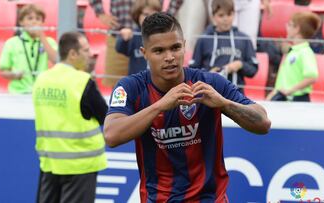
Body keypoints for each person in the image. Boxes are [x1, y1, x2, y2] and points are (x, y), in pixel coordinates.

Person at [104, 12, 271, 202]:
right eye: (159, 51)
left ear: (184, 46)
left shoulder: (210, 83)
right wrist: (160, 106)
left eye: (175, 48)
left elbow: (263, 123)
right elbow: (111, 135)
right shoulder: (131, 88)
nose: (169, 57)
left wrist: (224, 103)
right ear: (145, 53)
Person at [32, 31, 108, 203]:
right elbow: (105, 115)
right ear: (73, 54)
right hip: (80, 164)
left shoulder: (42, 79)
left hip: (50, 163)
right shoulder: (81, 81)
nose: (90, 55)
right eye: (86, 50)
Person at [87, 0, 184, 87]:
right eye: (145, 15)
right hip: (118, 33)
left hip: (155, 36)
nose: (148, 17)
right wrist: (100, 13)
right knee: (117, 86)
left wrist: (164, 19)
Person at [190, 0, 258, 93]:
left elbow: (253, 70)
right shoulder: (203, 39)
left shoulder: (244, 39)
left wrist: (240, 64)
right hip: (208, 94)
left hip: (236, 95)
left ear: (234, 14)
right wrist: (208, 74)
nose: (225, 19)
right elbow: (192, 71)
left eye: (229, 14)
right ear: (213, 16)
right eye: (221, 15)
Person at [0, 4, 57, 94]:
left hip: (41, 93)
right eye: (30, 18)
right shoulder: (12, 43)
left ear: (42, 23)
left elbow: (56, 60)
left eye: (38, 19)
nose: (34, 22)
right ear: (21, 22)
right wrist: (14, 75)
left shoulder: (49, 41)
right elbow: (3, 71)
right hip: (18, 93)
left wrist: (42, 37)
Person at [266, 11, 320, 102]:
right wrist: (273, 94)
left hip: (297, 100)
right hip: (285, 99)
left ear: (297, 29)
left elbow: (312, 77)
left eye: (290, 24)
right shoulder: (293, 51)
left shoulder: (305, 51)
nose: (286, 27)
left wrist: (291, 90)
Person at [115, 0, 161, 75]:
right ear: (137, 15)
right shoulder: (133, 34)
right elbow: (120, 48)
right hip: (137, 82)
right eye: (146, 14)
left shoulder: (163, 35)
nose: (150, 18)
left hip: (157, 80)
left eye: (154, 15)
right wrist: (124, 39)